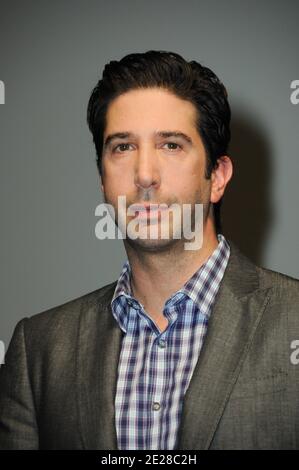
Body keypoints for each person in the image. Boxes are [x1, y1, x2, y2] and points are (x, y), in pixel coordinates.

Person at [0, 50, 298, 450]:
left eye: (171, 145)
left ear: (218, 177)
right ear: (102, 177)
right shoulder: (37, 349)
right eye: (122, 147)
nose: (144, 175)